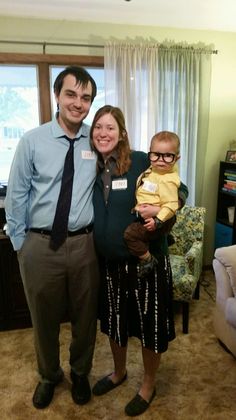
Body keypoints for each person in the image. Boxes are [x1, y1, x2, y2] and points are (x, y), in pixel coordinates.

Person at [5, 66, 100, 409]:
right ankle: (48, 375)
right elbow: (16, 195)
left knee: (85, 317)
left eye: (86, 97)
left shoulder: (97, 139)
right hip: (40, 245)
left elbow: (130, 166)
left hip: (84, 246)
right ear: (57, 96)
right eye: (71, 94)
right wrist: (21, 245)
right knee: (42, 318)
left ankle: (79, 372)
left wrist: (171, 188)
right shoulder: (33, 139)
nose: (78, 103)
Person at [90, 105, 188, 416]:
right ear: (92, 134)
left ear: (121, 133)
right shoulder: (91, 167)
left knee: (149, 327)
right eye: (98, 128)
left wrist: (159, 217)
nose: (104, 133)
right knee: (115, 324)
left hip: (147, 263)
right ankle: (119, 373)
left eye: (110, 127)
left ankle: (148, 384)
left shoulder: (143, 161)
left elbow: (180, 187)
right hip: (110, 265)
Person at [124, 131, 181, 278]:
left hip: (159, 219)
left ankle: (148, 260)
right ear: (150, 153)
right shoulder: (153, 169)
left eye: (168, 155)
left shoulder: (168, 179)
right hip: (155, 218)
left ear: (177, 158)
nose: (161, 160)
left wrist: (158, 219)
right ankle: (166, 236)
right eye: (156, 154)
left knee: (130, 234)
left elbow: (172, 204)